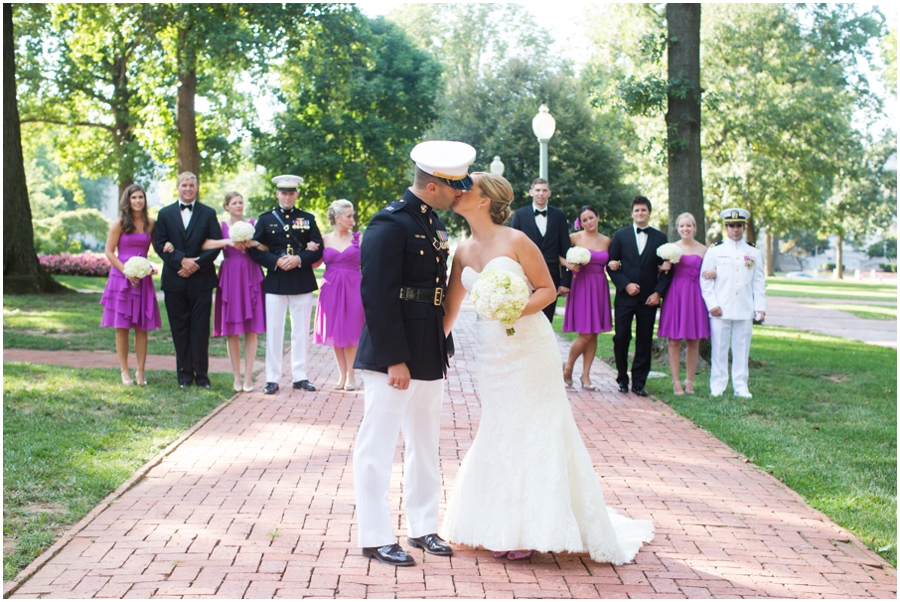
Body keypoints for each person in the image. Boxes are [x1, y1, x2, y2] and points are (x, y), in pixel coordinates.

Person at [441, 172, 654, 564]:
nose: (456, 193)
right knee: (500, 425)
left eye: (465, 188)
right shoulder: (462, 250)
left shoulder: (516, 240)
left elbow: (545, 288)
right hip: (493, 352)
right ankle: (497, 523)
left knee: (536, 425)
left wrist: (511, 307)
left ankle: (533, 526)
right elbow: (451, 308)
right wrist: (429, 345)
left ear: (485, 200)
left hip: (529, 347)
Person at [353, 140, 473, 567]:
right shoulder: (390, 223)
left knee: (424, 443)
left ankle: (423, 527)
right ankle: (374, 535)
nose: (461, 193)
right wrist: (393, 358)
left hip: (427, 345)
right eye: (455, 186)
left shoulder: (430, 222)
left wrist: (437, 342)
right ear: (436, 185)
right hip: (395, 349)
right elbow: (377, 295)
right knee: (377, 445)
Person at [249, 175, 323, 395]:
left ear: (297, 195)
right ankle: (272, 378)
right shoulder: (265, 220)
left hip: (300, 278)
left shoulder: (307, 218)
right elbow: (254, 249)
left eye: (291, 193)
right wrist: (275, 261)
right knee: (274, 330)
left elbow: (318, 248)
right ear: (277, 194)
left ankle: (300, 376)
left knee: (300, 331)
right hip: (276, 278)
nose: (287, 196)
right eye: (284, 192)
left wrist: (299, 259)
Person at [153, 172, 223, 389]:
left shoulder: (208, 213)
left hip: (201, 280)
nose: (188, 189)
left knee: (200, 329)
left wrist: (197, 264)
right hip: (175, 280)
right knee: (179, 328)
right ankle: (184, 376)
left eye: (191, 185)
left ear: (196, 187)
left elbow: (216, 243)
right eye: (184, 185)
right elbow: (159, 244)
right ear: (177, 187)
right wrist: (181, 261)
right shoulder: (164, 214)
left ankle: (202, 377)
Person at [607, 196, 672, 397]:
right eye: (637, 210)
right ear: (632, 213)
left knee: (644, 340)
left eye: (643, 210)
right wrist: (625, 285)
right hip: (625, 297)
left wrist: (657, 293)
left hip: (648, 298)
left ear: (649, 213)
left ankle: (639, 383)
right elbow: (611, 266)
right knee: (621, 337)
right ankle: (622, 379)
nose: (640, 214)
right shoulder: (620, 236)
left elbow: (668, 270)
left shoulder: (661, 239)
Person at [204, 192, 267, 393]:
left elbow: (266, 247)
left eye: (241, 202)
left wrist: (254, 243)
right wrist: (227, 242)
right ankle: (236, 378)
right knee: (232, 330)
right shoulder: (221, 226)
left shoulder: (253, 223)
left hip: (250, 273)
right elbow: (205, 244)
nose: (238, 205)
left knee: (251, 329)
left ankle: (248, 378)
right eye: (234, 203)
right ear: (227, 206)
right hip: (230, 275)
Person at [700, 208, 766, 398]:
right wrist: (712, 304)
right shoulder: (715, 251)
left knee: (742, 349)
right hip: (720, 308)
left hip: (745, 308)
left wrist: (760, 308)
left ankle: (741, 386)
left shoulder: (753, 252)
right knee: (719, 350)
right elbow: (705, 280)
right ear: (725, 227)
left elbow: (759, 282)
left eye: (738, 225)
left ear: (744, 227)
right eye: (731, 226)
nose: (735, 229)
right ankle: (718, 387)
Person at [100, 183, 162, 386]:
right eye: (134, 197)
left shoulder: (150, 223)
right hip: (121, 278)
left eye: (140, 197)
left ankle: (140, 372)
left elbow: (157, 248)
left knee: (142, 327)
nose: (137, 201)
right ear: (127, 200)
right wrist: (126, 270)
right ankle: (124, 371)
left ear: (145, 200)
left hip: (143, 280)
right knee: (122, 327)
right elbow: (109, 252)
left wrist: (156, 263)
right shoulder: (119, 223)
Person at [313, 199, 365, 391]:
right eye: (349, 216)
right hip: (331, 289)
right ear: (337, 218)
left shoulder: (359, 239)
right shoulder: (324, 240)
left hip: (353, 288)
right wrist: (309, 250)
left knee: (351, 330)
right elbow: (315, 264)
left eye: (353, 216)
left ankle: (351, 375)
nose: (352, 219)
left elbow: (369, 263)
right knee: (336, 332)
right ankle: (342, 375)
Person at [656, 213, 710, 395]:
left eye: (689, 226)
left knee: (693, 340)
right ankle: (676, 381)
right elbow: (657, 271)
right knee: (673, 340)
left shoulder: (704, 250)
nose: (685, 229)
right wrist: (662, 267)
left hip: (695, 294)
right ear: (677, 228)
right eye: (682, 226)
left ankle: (689, 380)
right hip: (675, 294)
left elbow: (711, 272)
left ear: (695, 227)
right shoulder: (670, 249)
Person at [561, 206, 613, 391]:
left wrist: (616, 263)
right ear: (580, 223)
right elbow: (557, 254)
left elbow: (613, 261)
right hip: (581, 285)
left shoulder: (607, 240)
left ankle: (586, 375)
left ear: (598, 217)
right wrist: (567, 263)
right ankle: (567, 367)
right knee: (585, 334)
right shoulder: (574, 238)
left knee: (594, 333)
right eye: (585, 220)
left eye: (591, 217)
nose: (589, 222)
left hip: (599, 285)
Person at [510, 178, 570, 322]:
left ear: (549, 193)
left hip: (551, 278)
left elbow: (566, 249)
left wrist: (565, 282)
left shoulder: (559, 216)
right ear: (531, 192)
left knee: (546, 322)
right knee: (524, 321)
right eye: (537, 190)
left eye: (544, 190)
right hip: (525, 278)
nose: (541, 193)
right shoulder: (519, 215)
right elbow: (512, 249)